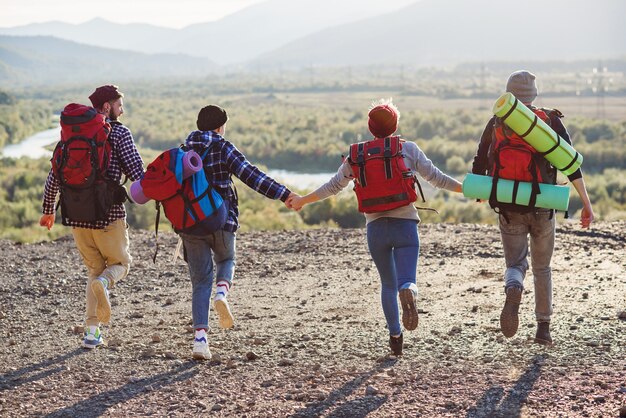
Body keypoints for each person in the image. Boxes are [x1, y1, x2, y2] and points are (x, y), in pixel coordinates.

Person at [289, 99, 463, 356]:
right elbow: (436, 177)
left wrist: (303, 200)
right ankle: (410, 290)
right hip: (405, 225)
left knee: (387, 285)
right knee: (406, 280)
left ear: (370, 128)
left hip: (376, 229)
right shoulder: (408, 149)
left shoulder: (356, 156)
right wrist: (466, 189)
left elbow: (334, 185)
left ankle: (395, 338)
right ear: (395, 126)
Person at [471, 70, 594, 345]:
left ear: (508, 95)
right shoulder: (548, 120)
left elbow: (480, 159)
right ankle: (543, 329)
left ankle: (514, 286)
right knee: (542, 268)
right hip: (543, 204)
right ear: (533, 95)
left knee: (515, 263)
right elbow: (571, 165)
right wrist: (586, 203)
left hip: (508, 203)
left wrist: (482, 191)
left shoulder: (497, 121)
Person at [181, 104, 297, 360]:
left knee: (200, 282)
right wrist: (285, 194)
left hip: (189, 224)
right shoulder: (223, 146)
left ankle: (200, 341)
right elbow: (251, 176)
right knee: (227, 259)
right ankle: (222, 293)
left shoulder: (183, 150)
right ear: (220, 126)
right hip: (221, 221)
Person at [40, 85, 145, 349]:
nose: (123, 109)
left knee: (93, 269)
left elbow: (55, 174)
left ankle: (91, 333)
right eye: (120, 105)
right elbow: (136, 172)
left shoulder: (72, 133)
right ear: (107, 107)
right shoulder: (119, 132)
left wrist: (48, 210)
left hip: (76, 216)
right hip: (108, 214)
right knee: (121, 264)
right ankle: (104, 283)